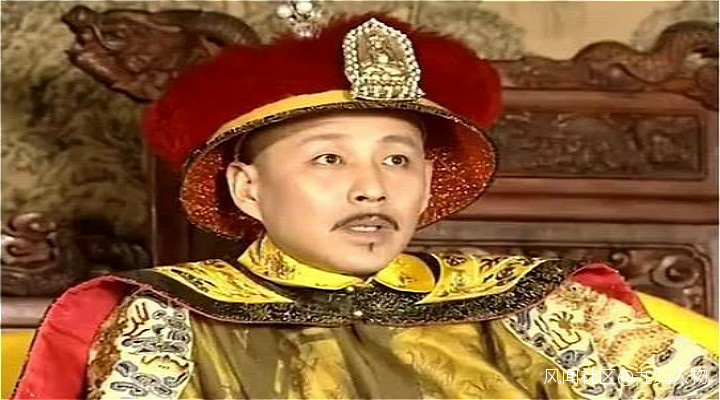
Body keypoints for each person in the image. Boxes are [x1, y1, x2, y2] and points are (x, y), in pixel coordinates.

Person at [13, 14, 718, 400]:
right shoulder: (171, 321)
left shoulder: (538, 304)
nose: (372, 187)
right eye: (329, 158)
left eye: (398, 159)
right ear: (247, 189)